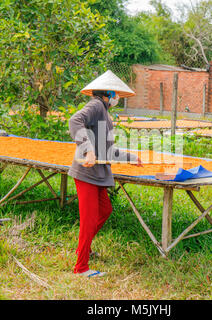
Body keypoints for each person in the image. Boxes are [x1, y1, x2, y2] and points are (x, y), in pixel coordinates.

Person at [68, 70, 141, 278]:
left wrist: (130, 157)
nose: (117, 98)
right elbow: (75, 121)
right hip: (87, 173)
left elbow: (107, 149)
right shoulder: (96, 105)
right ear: (108, 93)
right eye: (115, 94)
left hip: (97, 173)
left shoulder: (103, 112)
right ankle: (81, 267)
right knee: (89, 219)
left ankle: (84, 247)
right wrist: (88, 150)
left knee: (105, 211)